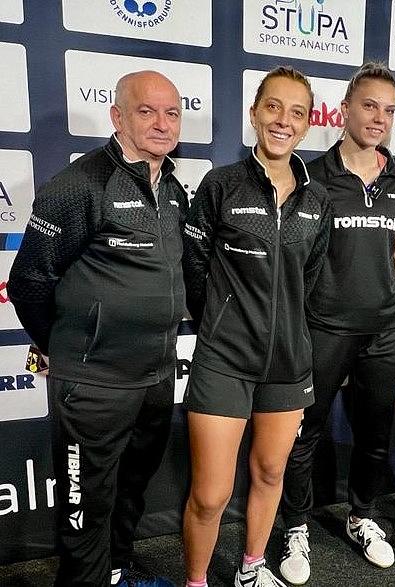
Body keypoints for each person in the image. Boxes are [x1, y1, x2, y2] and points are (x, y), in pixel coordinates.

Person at [8, 70, 186, 587]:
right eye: (146, 111)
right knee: (85, 506)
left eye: (171, 113)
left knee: (132, 490)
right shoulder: (79, 184)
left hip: (154, 378)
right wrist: (66, 350)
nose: (161, 123)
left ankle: (116, 572)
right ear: (117, 117)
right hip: (93, 385)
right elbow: (29, 282)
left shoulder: (172, 187)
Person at [180, 66, 330, 587]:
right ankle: (197, 581)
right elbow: (193, 267)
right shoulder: (221, 184)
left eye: (295, 112)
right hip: (223, 360)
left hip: (289, 364)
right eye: (272, 107)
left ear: (308, 125)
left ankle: (251, 567)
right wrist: (221, 325)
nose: (282, 121)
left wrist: (286, 331)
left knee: (270, 473)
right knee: (212, 493)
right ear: (254, 113)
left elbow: (308, 282)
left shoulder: (317, 201)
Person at [278, 62, 395, 585]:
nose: (379, 117)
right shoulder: (312, 176)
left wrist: (379, 291)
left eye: (389, 109)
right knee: (304, 432)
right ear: (344, 109)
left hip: (386, 329)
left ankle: (362, 516)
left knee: (372, 433)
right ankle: (295, 527)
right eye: (369, 105)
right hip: (324, 328)